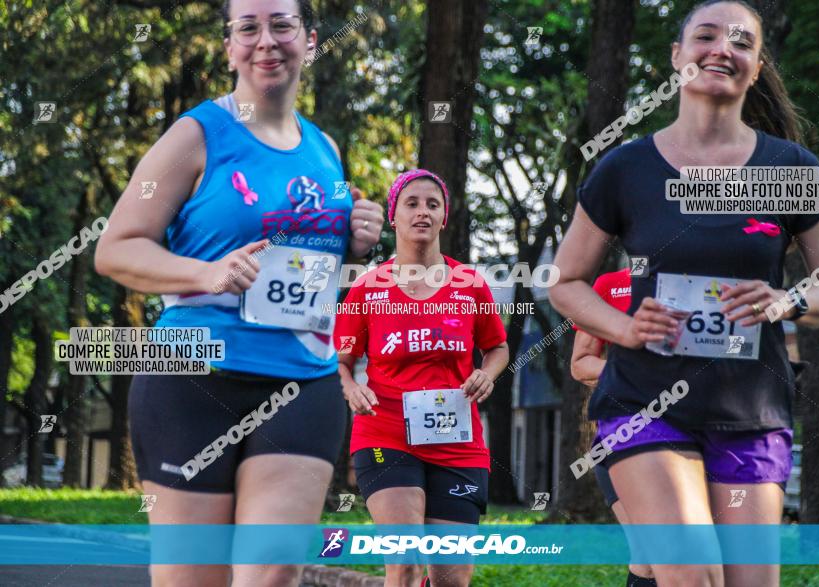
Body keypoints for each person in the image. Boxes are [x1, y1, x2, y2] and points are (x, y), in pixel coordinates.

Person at [550, 2, 819, 586]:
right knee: (692, 573)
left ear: (758, 65)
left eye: (741, 41)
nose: (722, 48)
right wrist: (623, 329)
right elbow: (564, 281)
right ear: (677, 56)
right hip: (645, 403)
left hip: (751, 410)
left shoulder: (792, 171)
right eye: (706, 35)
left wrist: (786, 300)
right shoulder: (627, 167)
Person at [94, 1, 383, 585]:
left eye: (282, 24)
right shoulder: (196, 135)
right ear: (229, 46)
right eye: (248, 28)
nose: (266, 41)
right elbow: (116, 248)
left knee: (274, 570)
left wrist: (356, 242)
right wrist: (205, 273)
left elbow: (307, 267)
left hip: (304, 380)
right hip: (191, 378)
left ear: (310, 39)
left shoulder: (324, 148)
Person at [334, 169, 510, 587]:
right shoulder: (367, 288)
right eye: (411, 203)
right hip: (385, 432)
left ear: (444, 217)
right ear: (393, 215)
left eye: (433, 204)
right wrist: (350, 386)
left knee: (450, 577)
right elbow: (340, 360)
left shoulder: (469, 284)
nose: (423, 212)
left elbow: (497, 348)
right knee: (406, 561)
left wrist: (487, 374)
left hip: (458, 442)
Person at [569, 267, 656, 587]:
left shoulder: (706, 276)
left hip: (695, 438)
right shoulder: (611, 284)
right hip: (622, 437)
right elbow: (580, 363)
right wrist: (637, 372)